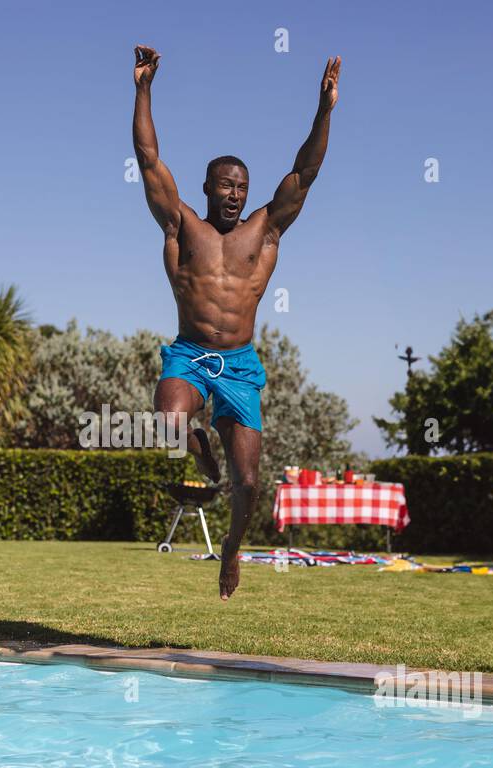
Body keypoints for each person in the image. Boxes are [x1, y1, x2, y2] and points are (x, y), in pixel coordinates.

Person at [132, 44, 340, 599]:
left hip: (241, 366)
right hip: (190, 354)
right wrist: (144, 88)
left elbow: (307, 170)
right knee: (170, 424)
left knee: (249, 483)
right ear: (206, 188)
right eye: (225, 185)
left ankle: (230, 549)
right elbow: (149, 160)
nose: (235, 193)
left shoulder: (264, 232)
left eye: (242, 187)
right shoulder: (183, 227)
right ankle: (205, 460)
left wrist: (324, 109)